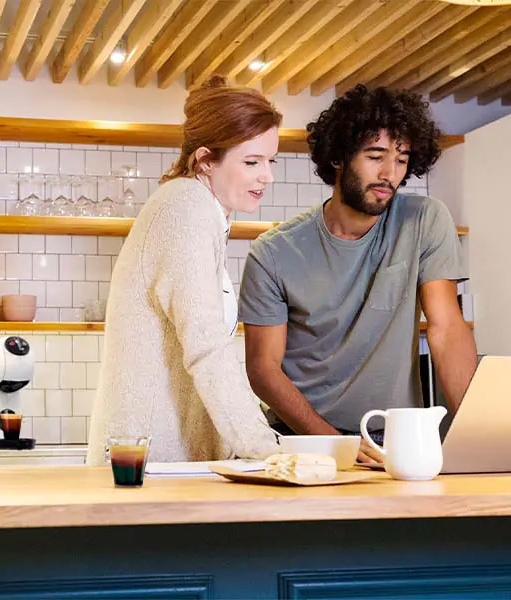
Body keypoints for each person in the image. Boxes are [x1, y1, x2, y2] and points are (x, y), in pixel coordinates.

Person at [238, 84, 478, 464]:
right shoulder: (273, 253)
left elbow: (447, 329)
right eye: (375, 155)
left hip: (395, 439)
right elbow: (262, 369)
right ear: (338, 156)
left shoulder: (425, 221)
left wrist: (478, 436)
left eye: (402, 159)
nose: (390, 174)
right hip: (304, 440)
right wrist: (337, 445)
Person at [86, 76, 282, 465]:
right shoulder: (185, 211)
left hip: (165, 459)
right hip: (149, 463)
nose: (268, 176)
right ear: (206, 160)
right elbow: (206, 345)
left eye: (270, 160)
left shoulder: (199, 210)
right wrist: (268, 452)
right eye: (251, 161)